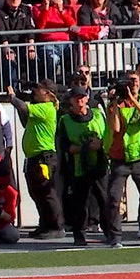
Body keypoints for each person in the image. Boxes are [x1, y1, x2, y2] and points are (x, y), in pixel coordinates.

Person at [57, 86, 117, 248]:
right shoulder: (65, 120)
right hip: (78, 167)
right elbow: (65, 146)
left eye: (82, 97)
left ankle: (110, 233)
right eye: (76, 98)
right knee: (80, 202)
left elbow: (107, 137)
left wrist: (100, 145)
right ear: (70, 101)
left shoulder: (97, 115)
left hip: (99, 165)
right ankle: (79, 235)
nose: (80, 100)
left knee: (104, 200)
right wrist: (84, 148)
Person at [104, 76, 140, 246]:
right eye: (130, 83)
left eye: (136, 83)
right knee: (114, 198)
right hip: (120, 158)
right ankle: (115, 237)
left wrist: (134, 101)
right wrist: (114, 103)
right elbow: (115, 128)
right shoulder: (117, 106)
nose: (134, 85)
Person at [9, 80, 63, 239]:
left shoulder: (46, 108)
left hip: (44, 158)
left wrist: (13, 97)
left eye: (38, 89)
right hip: (34, 157)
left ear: (47, 93)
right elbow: (25, 119)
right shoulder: (39, 109)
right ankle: (45, 224)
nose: (35, 91)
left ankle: (56, 226)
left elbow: (24, 107)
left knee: (47, 193)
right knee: (36, 193)